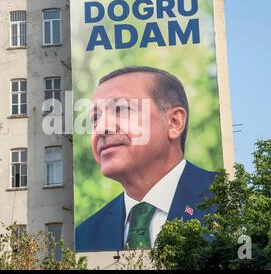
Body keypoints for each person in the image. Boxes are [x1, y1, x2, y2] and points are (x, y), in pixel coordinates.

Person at [75, 66, 217, 252]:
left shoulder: (228, 196)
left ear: (174, 122)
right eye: (95, 118)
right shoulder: (83, 237)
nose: (101, 128)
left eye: (121, 109)